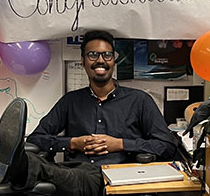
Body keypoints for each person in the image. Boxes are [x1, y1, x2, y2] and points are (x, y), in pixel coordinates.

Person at [27, 30, 177, 165]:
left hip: (122, 179)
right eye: (93, 55)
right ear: (83, 62)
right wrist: (73, 143)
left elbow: (167, 147)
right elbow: (35, 139)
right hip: (78, 178)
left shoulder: (139, 100)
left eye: (107, 55)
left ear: (113, 61)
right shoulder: (70, 101)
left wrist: (120, 144)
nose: (100, 60)